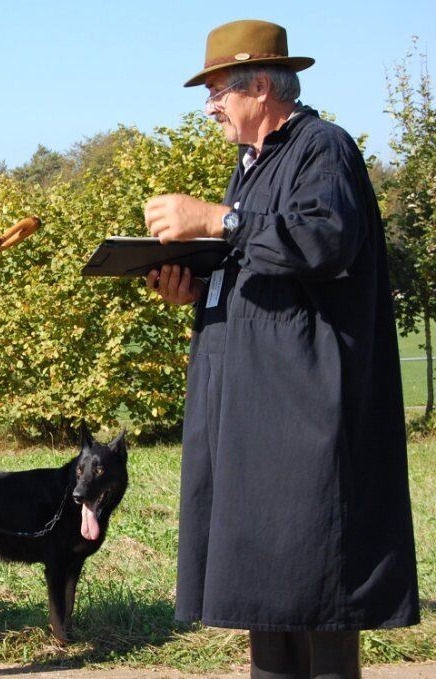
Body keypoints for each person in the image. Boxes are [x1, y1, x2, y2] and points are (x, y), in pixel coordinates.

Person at [143, 20, 419, 679]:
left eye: (216, 93)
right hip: (253, 405)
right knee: (266, 585)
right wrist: (199, 284)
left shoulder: (322, 148)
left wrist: (219, 220)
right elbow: (265, 261)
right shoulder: (252, 166)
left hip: (306, 409)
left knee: (317, 584)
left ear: (259, 86)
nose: (211, 107)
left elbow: (325, 239)